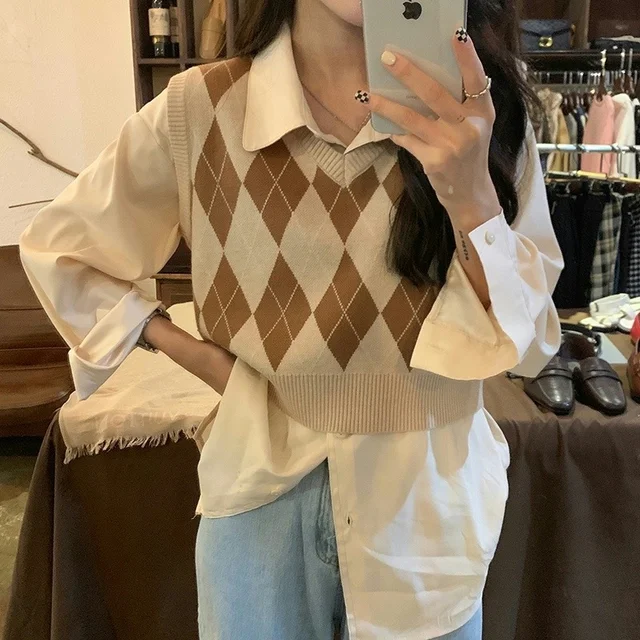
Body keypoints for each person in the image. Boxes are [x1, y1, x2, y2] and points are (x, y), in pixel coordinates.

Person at [19, 0, 563, 638]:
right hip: (258, 507)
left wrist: (470, 196)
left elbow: (528, 345)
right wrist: (196, 355)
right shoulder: (201, 110)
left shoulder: (477, 113)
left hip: (424, 516)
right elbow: (63, 252)